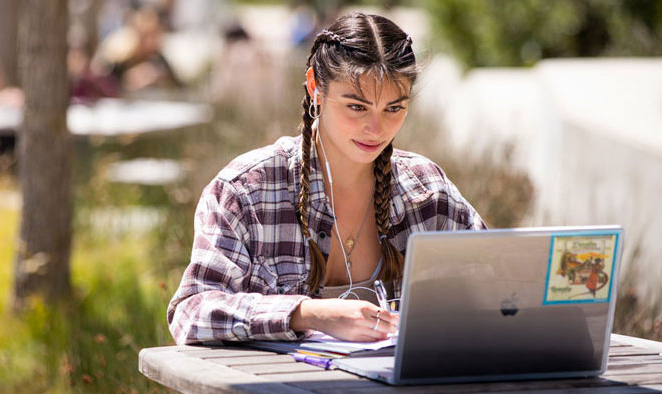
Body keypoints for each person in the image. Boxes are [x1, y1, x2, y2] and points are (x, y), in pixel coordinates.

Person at [167, 12, 486, 345]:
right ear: (315, 87)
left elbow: (499, 283)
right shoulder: (245, 190)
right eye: (356, 107)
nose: (376, 130)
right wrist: (308, 314)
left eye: (394, 109)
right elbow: (191, 311)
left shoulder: (428, 191)